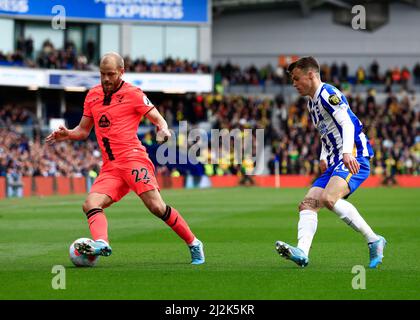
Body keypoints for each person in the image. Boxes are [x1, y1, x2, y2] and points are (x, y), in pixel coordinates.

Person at [46, 52, 205, 265]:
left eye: (111, 74)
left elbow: (158, 119)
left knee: (157, 207)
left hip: (133, 159)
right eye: (102, 74)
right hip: (111, 167)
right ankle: (102, 243)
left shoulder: (134, 94)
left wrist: (164, 130)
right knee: (90, 204)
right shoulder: (92, 95)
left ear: (122, 72)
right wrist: (68, 134)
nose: (106, 79)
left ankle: (194, 243)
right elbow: (83, 131)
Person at [275, 56, 386, 269]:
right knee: (307, 205)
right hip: (335, 159)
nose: (294, 84)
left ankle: (374, 239)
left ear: (311, 75)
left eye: (297, 79)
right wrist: (323, 156)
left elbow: (346, 123)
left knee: (328, 198)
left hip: (354, 155)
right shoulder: (312, 103)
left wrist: (346, 153)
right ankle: (302, 253)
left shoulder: (328, 93)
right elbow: (326, 131)